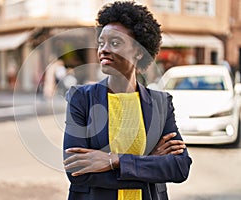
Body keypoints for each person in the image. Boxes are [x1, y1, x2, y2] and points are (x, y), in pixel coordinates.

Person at [63, 1, 192, 200]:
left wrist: (113, 160)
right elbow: (77, 170)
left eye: (115, 43)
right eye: (101, 42)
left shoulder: (160, 103)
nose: (103, 49)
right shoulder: (81, 99)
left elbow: (179, 167)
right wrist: (148, 163)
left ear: (139, 51)